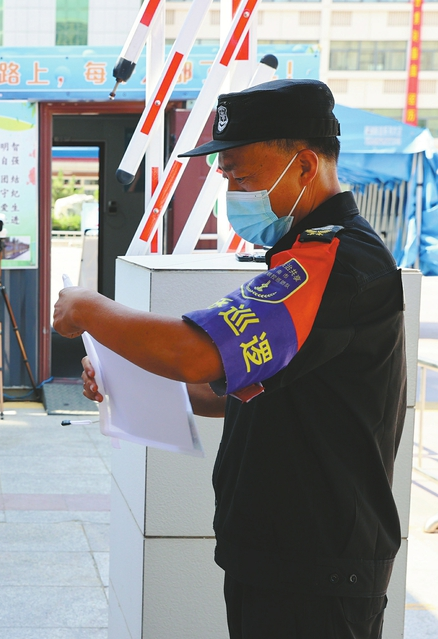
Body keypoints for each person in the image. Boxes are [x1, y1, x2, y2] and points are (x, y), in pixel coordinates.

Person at [54, 79, 406, 639]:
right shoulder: (300, 256)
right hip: (278, 559)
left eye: (242, 176)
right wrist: (126, 382)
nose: (231, 190)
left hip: (317, 573)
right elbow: (233, 384)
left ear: (306, 166)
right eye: (226, 177)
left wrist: (89, 309)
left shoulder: (334, 261)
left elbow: (197, 352)